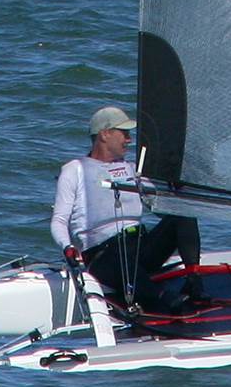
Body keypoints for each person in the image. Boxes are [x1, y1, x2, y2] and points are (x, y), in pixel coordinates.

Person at [49, 106, 199, 316]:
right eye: (124, 133)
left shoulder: (132, 169)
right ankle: (162, 298)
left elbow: (161, 207)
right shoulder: (75, 170)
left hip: (138, 248)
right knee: (119, 260)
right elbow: (59, 220)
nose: (129, 139)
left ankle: (194, 282)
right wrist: (68, 247)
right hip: (103, 256)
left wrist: (174, 189)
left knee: (182, 218)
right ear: (104, 134)